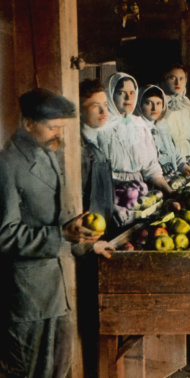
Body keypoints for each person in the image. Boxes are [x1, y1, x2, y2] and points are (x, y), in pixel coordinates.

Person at [0, 88, 104, 377]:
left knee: (60, 369)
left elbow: (61, 216)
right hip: (27, 298)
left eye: (61, 127)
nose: (58, 133)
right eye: (52, 126)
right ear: (28, 123)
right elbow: (5, 235)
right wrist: (61, 237)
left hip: (57, 293)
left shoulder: (49, 155)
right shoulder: (6, 165)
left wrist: (86, 243)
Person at [98, 72, 173, 195]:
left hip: (139, 191)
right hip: (109, 192)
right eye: (121, 93)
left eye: (132, 93)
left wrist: (170, 192)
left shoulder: (139, 124)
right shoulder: (102, 127)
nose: (128, 98)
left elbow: (152, 169)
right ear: (110, 94)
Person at [79, 79, 133, 231]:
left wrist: (112, 206)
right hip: (87, 230)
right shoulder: (79, 148)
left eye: (105, 106)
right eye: (96, 107)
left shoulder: (99, 138)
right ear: (80, 110)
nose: (104, 112)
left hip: (102, 223)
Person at [135, 84, 190, 183]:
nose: (154, 108)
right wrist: (160, 166)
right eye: (148, 103)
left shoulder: (163, 127)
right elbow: (143, 163)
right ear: (140, 105)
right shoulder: (138, 130)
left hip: (174, 181)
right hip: (154, 184)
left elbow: (178, 158)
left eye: (158, 103)